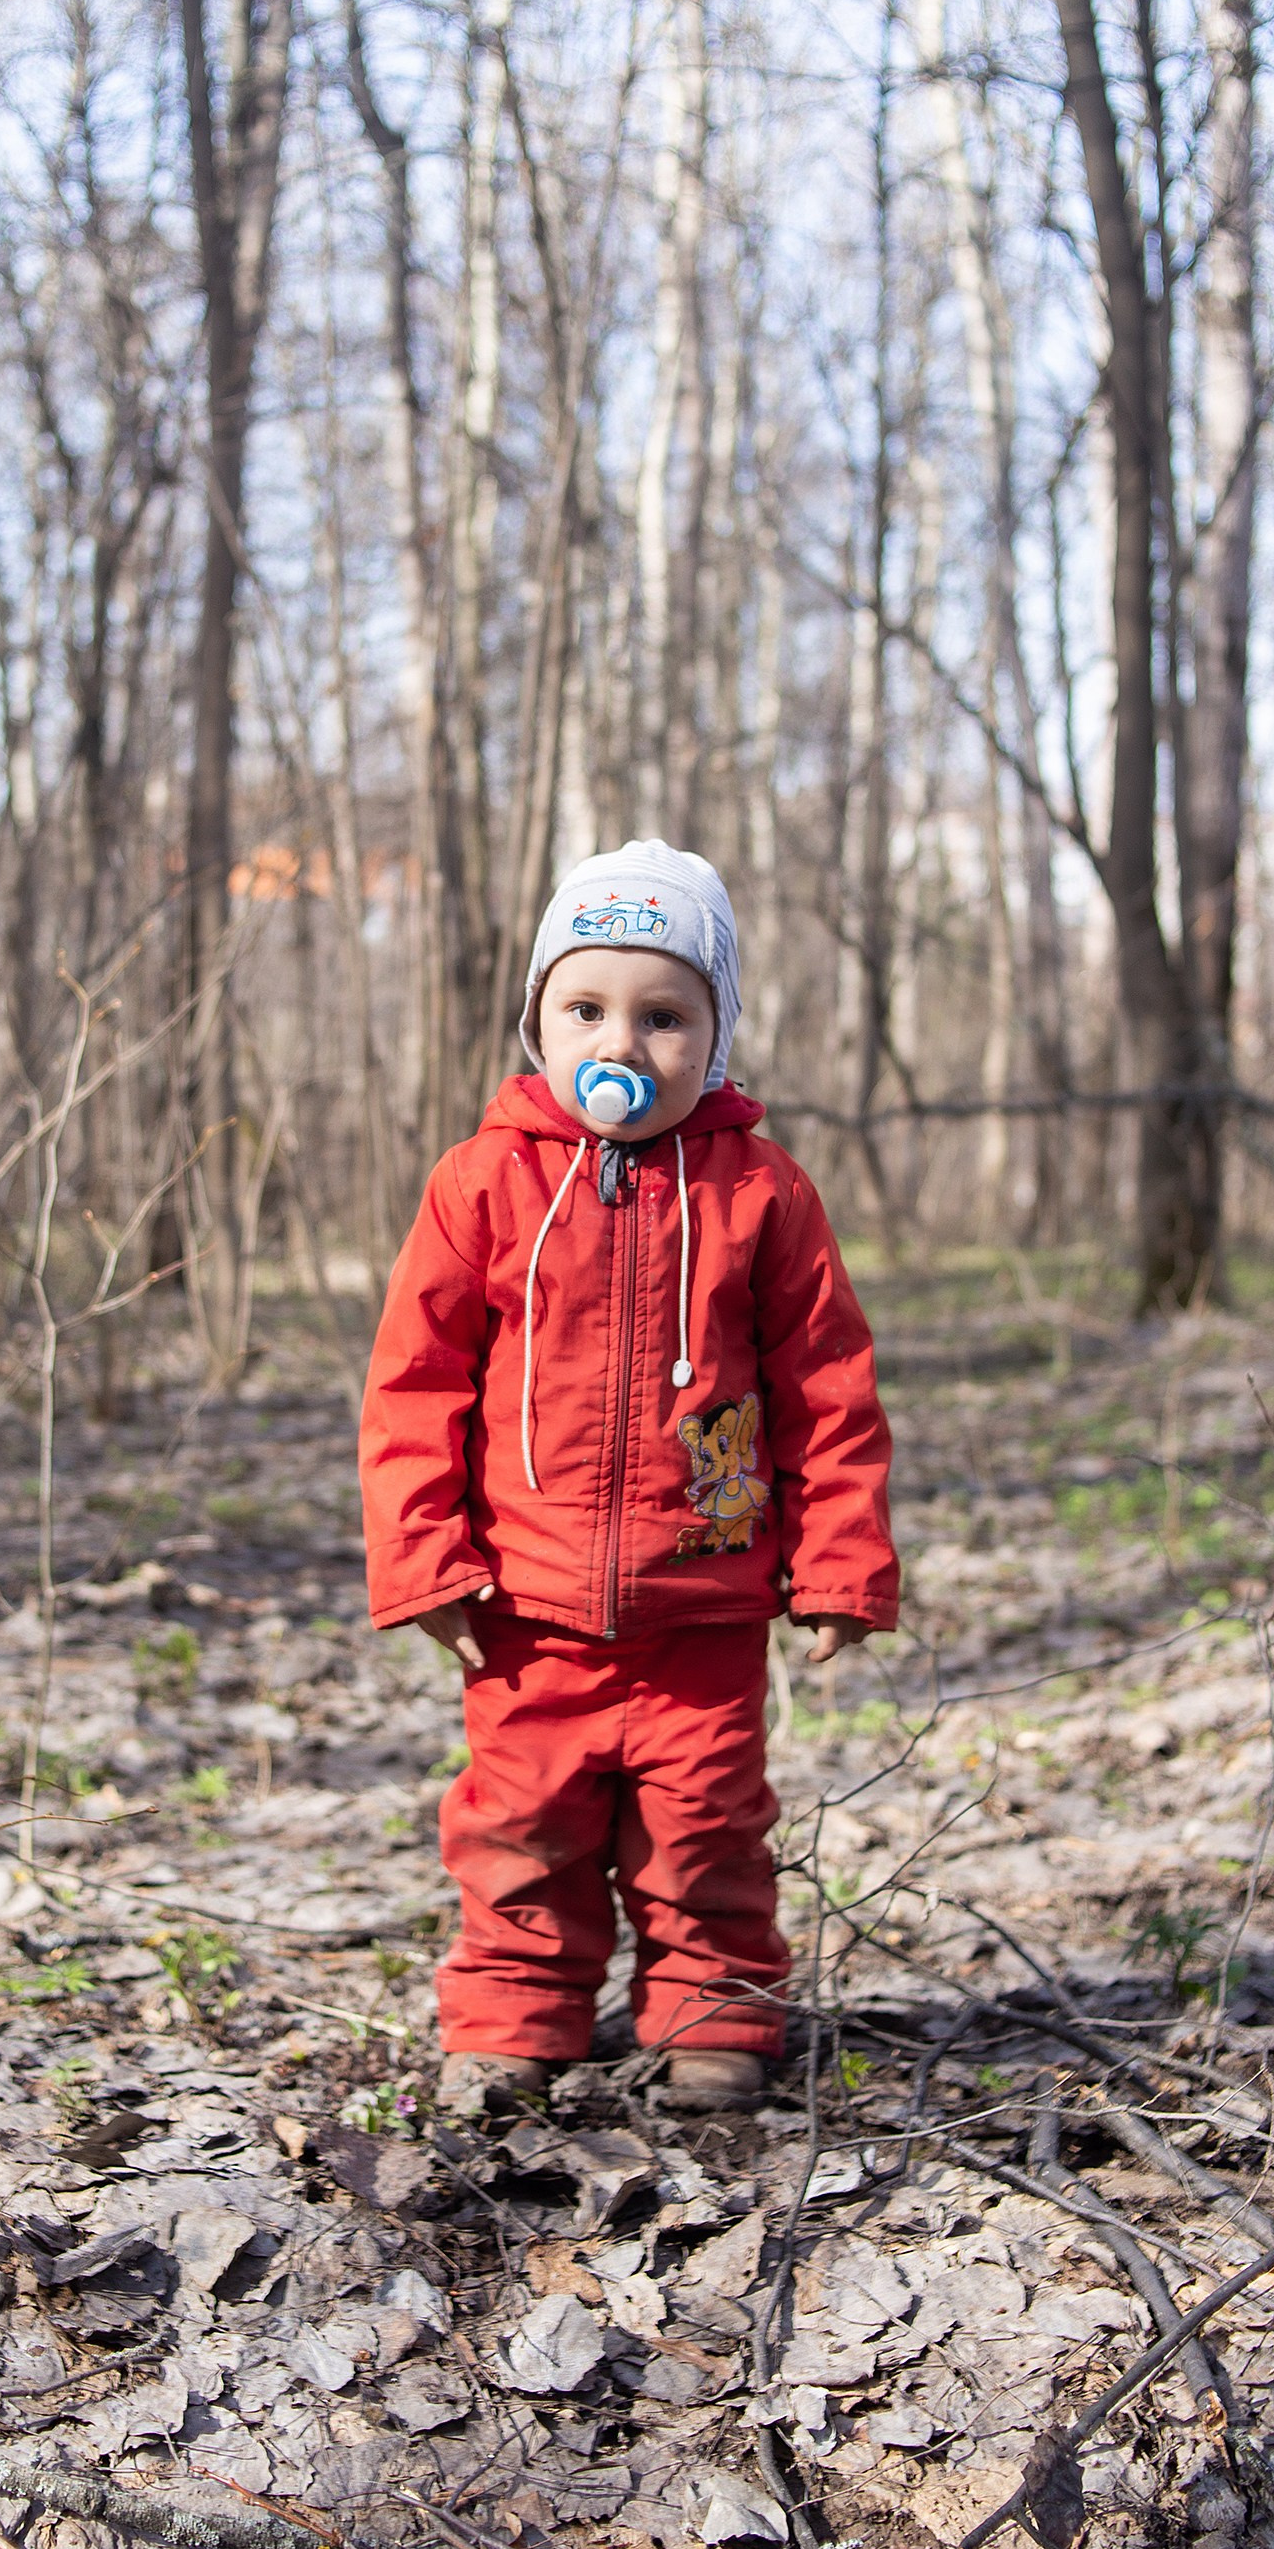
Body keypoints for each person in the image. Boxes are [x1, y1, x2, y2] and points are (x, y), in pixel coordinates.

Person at [358, 838, 899, 2118]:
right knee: (519, 1830)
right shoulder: (481, 1182)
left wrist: (837, 1568)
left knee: (704, 1829)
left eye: (664, 1015)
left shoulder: (761, 1193)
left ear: (715, 1035)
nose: (624, 1040)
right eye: (587, 1008)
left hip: (703, 1604)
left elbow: (827, 1387)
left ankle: (712, 2010)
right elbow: (413, 1383)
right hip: (525, 1607)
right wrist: (426, 1559)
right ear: (538, 1019)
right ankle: (511, 2021)